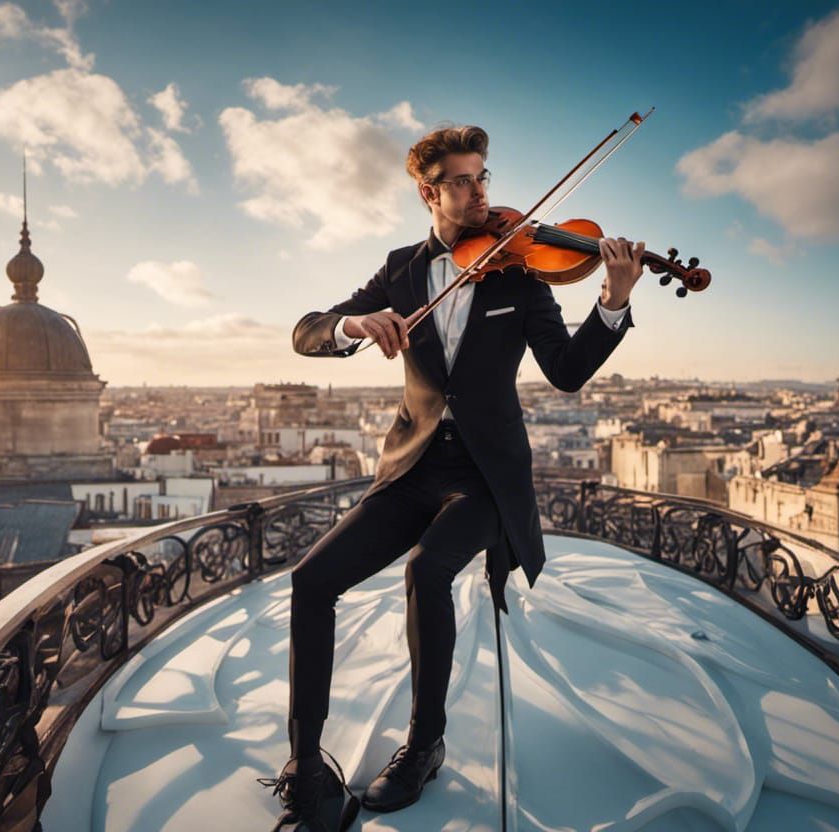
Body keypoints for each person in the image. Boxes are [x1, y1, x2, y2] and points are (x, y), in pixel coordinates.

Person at [257, 124, 644, 831]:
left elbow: (565, 372)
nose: (481, 195)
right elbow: (307, 330)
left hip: (487, 477)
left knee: (426, 571)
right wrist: (354, 326)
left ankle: (424, 744)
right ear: (429, 193)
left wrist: (613, 300)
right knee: (309, 581)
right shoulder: (404, 269)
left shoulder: (523, 273)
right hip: (413, 467)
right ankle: (305, 764)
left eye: (483, 178)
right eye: (463, 182)